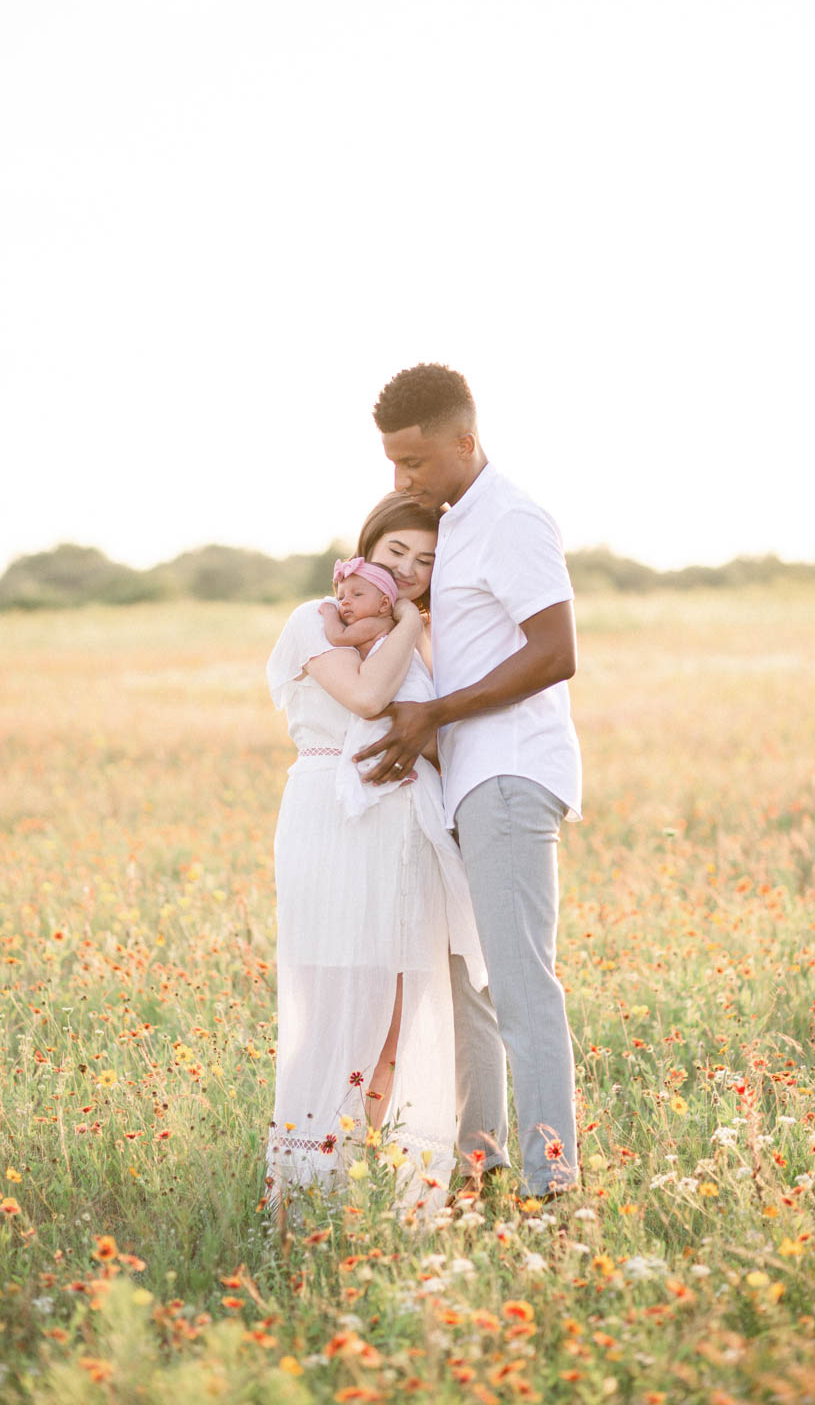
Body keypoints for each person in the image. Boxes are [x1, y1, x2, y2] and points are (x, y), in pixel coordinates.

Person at [355, 363, 583, 1201]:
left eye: (413, 464)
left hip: (511, 773)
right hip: (463, 782)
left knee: (521, 982)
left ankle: (552, 1180)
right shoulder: (456, 529)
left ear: (464, 440)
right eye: (393, 465)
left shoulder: (513, 519)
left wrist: (435, 714)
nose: (401, 481)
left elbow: (555, 654)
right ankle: (480, 1164)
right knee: (471, 987)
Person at [264, 495, 486, 1215]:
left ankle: (367, 1177)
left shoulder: (428, 641)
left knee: (394, 1010)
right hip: (330, 819)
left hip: (403, 834)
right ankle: (304, 1180)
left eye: (428, 561)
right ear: (367, 550)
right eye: (397, 555)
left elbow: (440, 737)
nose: (412, 570)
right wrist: (410, 621)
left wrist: (414, 630)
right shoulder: (316, 619)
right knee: (332, 1000)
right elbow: (364, 699)